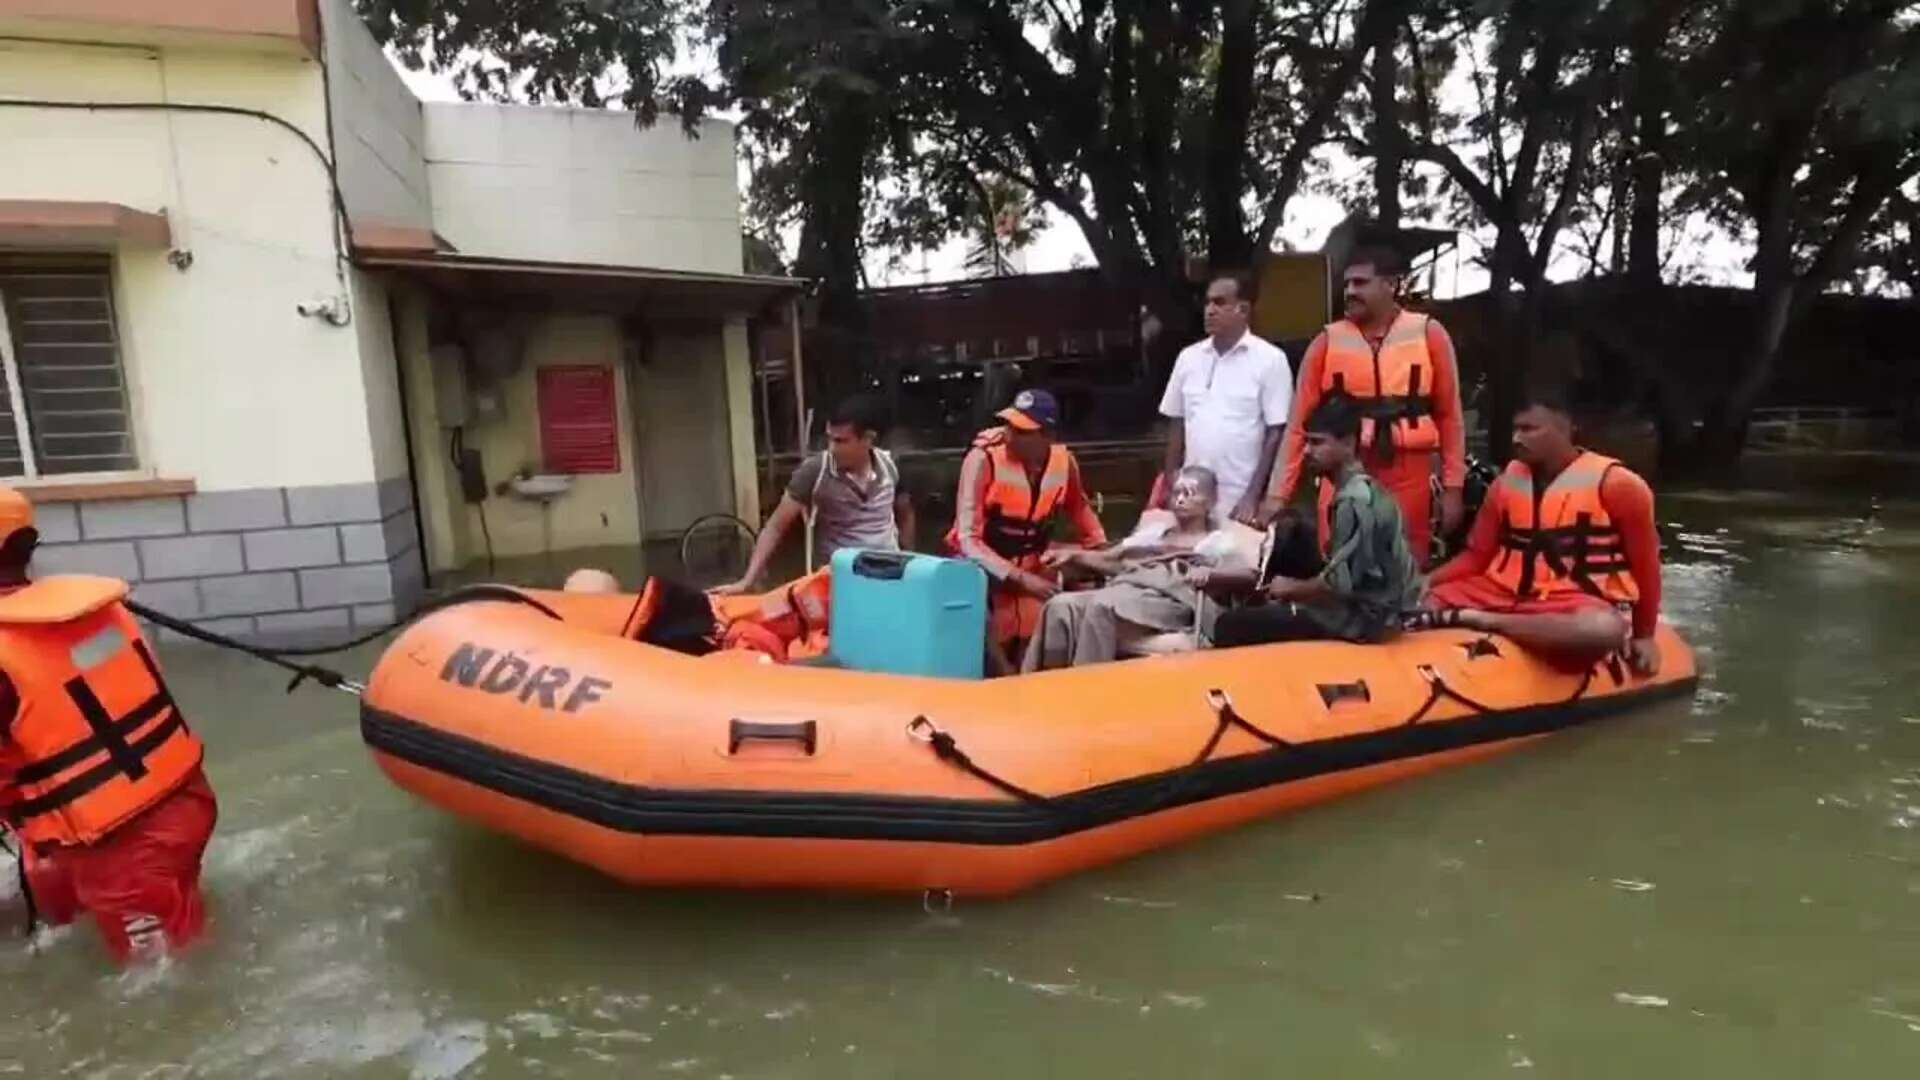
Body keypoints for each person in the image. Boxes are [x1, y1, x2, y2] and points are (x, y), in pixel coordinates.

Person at [0, 486, 218, 964]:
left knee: (164, 988)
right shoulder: (98, 609)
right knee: (185, 930)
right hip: (185, 802)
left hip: (123, 848)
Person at [1412, 390, 1663, 675]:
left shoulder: (1620, 486)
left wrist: (1644, 635)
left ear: (1566, 428)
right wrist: (1425, 582)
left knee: (1603, 630)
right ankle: (1476, 618)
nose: (1516, 439)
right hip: (1496, 592)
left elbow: (1646, 566)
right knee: (1413, 604)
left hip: (1571, 600)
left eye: (1529, 429)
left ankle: (1484, 621)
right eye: (1515, 429)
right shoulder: (1505, 484)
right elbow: (1476, 557)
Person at [1273, 246, 1467, 565]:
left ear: (1390, 285)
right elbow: (1299, 425)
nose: (1350, 291)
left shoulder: (1429, 334)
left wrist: (1453, 488)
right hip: (1344, 468)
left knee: (1405, 562)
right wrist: (1277, 496)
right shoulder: (1325, 342)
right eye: (1347, 284)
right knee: (1339, 560)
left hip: (1409, 471)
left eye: (1361, 283)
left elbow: (1450, 419)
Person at [1205, 396, 1423, 646]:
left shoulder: (1354, 501)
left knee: (1229, 625)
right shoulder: (1368, 489)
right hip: (1370, 605)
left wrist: (1291, 589)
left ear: (1348, 443)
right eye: (1307, 442)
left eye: (1318, 443)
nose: (1308, 451)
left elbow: (1341, 584)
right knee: (1294, 532)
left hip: (1363, 620)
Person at [1022, 467, 1259, 671]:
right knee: (1059, 606)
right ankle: (1043, 687)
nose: (1181, 499)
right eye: (1177, 492)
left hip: (1170, 600)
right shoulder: (1152, 534)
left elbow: (1251, 577)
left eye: (1190, 493)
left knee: (1103, 606)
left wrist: (1212, 575)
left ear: (1210, 501)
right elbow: (1110, 561)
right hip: (1128, 588)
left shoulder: (1218, 542)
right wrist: (1074, 555)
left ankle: (1087, 693)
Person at [945, 389, 1108, 675]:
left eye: (1022, 430)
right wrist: (1021, 579)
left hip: (1032, 560)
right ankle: (1003, 673)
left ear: (1047, 436)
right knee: (977, 605)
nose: (1010, 434)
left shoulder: (1064, 462)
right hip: (981, 564)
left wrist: (1101, 554)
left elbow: (1080, 509)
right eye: (1009, 425)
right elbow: (966, 537)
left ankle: (1049, 674)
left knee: (1072, 590)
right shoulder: (982, 458)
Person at [713, 395, 914, 596]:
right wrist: (747, 580)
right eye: (829, 439)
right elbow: (775, 527)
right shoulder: (815, 471)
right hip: (839, 582)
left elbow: (905, 513)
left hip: (888, 576)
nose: (832, 448)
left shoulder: (890, 466)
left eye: (841, 441)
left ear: (868, 439)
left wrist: (909, 562)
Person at [1154, 273, 1293, 526]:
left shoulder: (1270, 360)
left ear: (1243, 309)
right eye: (1207, 303)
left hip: (1238, 496)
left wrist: (1253, 496)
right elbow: (1176, 424)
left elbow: (1276, 434)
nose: (1209, 311)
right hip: (1192, 497)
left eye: (1219, 303)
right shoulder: (1188, 358)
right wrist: (1170, 483)